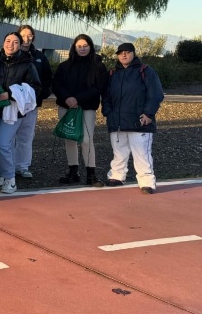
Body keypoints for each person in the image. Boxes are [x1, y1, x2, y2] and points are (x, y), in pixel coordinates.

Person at [102, 43, 164, 194]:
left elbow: (156, 94)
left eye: (127, 52)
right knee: (119, 151)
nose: (124, 55)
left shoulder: (146, 71)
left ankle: (147, 182)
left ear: (133, 54)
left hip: (140, 122)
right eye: (121, 53)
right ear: (117, 55)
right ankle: (117, 176)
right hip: (116, 122)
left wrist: (149, 114)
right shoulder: (112, 74)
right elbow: (106, 96)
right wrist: (108, 112)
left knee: (142, 153)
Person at [0, 32, 42, 195]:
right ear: (2, 43)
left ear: (20, 44)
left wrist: (11, 94)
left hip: (13, 112)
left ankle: (10, 178)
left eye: (15, 42)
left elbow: (36, 87)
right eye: (8, 41)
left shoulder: (27, 64)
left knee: (3, 144)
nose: (11, 44)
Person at [52, 34, 109, 186]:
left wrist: (78, 99)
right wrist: (68, 98)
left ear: (90, 46)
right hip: (66, 107)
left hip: (87, 107)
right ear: (74, 47)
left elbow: (99, 87)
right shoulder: (64, 66)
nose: (82, 49)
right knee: (69, 138)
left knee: (86, 139)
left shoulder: (98, 66)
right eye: (79, 46)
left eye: (85, 46)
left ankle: (91, 174)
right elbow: (57, 85)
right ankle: (73, 172)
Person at [13, 24, 53, 180]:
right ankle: (8, 166)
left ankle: (22, 166)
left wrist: (40, 96)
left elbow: (47, 78)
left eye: (30, 35)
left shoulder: (39, 57)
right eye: (23, 35)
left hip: (31, 106)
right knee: (9, 137)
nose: (27, 38)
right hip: (12, 104)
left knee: (26, 136)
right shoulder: (10, 53)